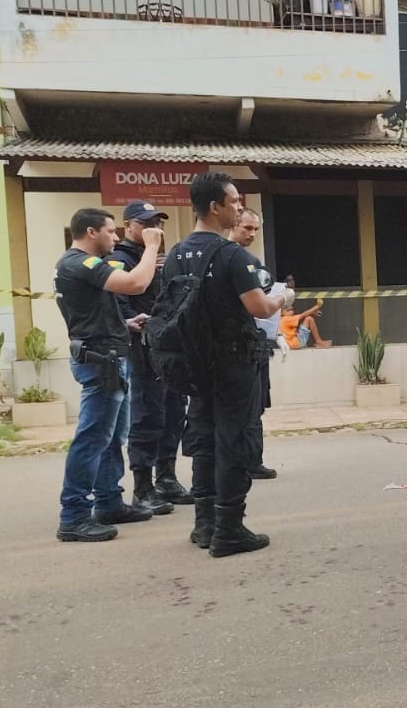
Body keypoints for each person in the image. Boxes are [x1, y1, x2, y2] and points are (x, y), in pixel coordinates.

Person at [165, 171, 281, 557]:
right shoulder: (232, 255)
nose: (238, 207)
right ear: (215, 207)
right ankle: (229, 529)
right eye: (233, 202)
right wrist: (284, 299)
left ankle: (205, 525)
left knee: (203, 440)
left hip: (194, 363)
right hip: (233, 362)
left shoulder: (176, 255)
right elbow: (259, 307)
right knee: (233, 439)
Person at [52, 207, 164, 542]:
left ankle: (109, 502)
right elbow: (135, 283)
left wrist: (124, 323)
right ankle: (73, 517)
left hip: (110, 355)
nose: (115, 237)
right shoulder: (81, 263)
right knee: (92, 439)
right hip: (101, 361)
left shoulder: (79, 265)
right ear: (91, 232)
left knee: (112, 437)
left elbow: (91, 313)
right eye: (110, 231)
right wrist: (152, 246)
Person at [114, 201, 192, 515]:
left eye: (157, 223)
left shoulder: (159, 258)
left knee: (173, 412)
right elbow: (120, 305)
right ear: (128, 226)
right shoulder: (120, 260)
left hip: (168, 349)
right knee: (147, 415)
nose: (154, 229)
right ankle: (142, 487)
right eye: (146, 224)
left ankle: (167, 477)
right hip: (142, 349)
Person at [228, 207, 287, 480]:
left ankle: (252, 460)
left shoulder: (252, 261)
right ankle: (236, 463)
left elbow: (266, 299)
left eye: (255, 229)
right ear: (233, 224)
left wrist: (277, 333)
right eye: (247, 228)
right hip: (232, 347)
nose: (252, 234)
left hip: (258, 343)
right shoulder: (226, 258)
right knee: (237, 410)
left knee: (256, 407)